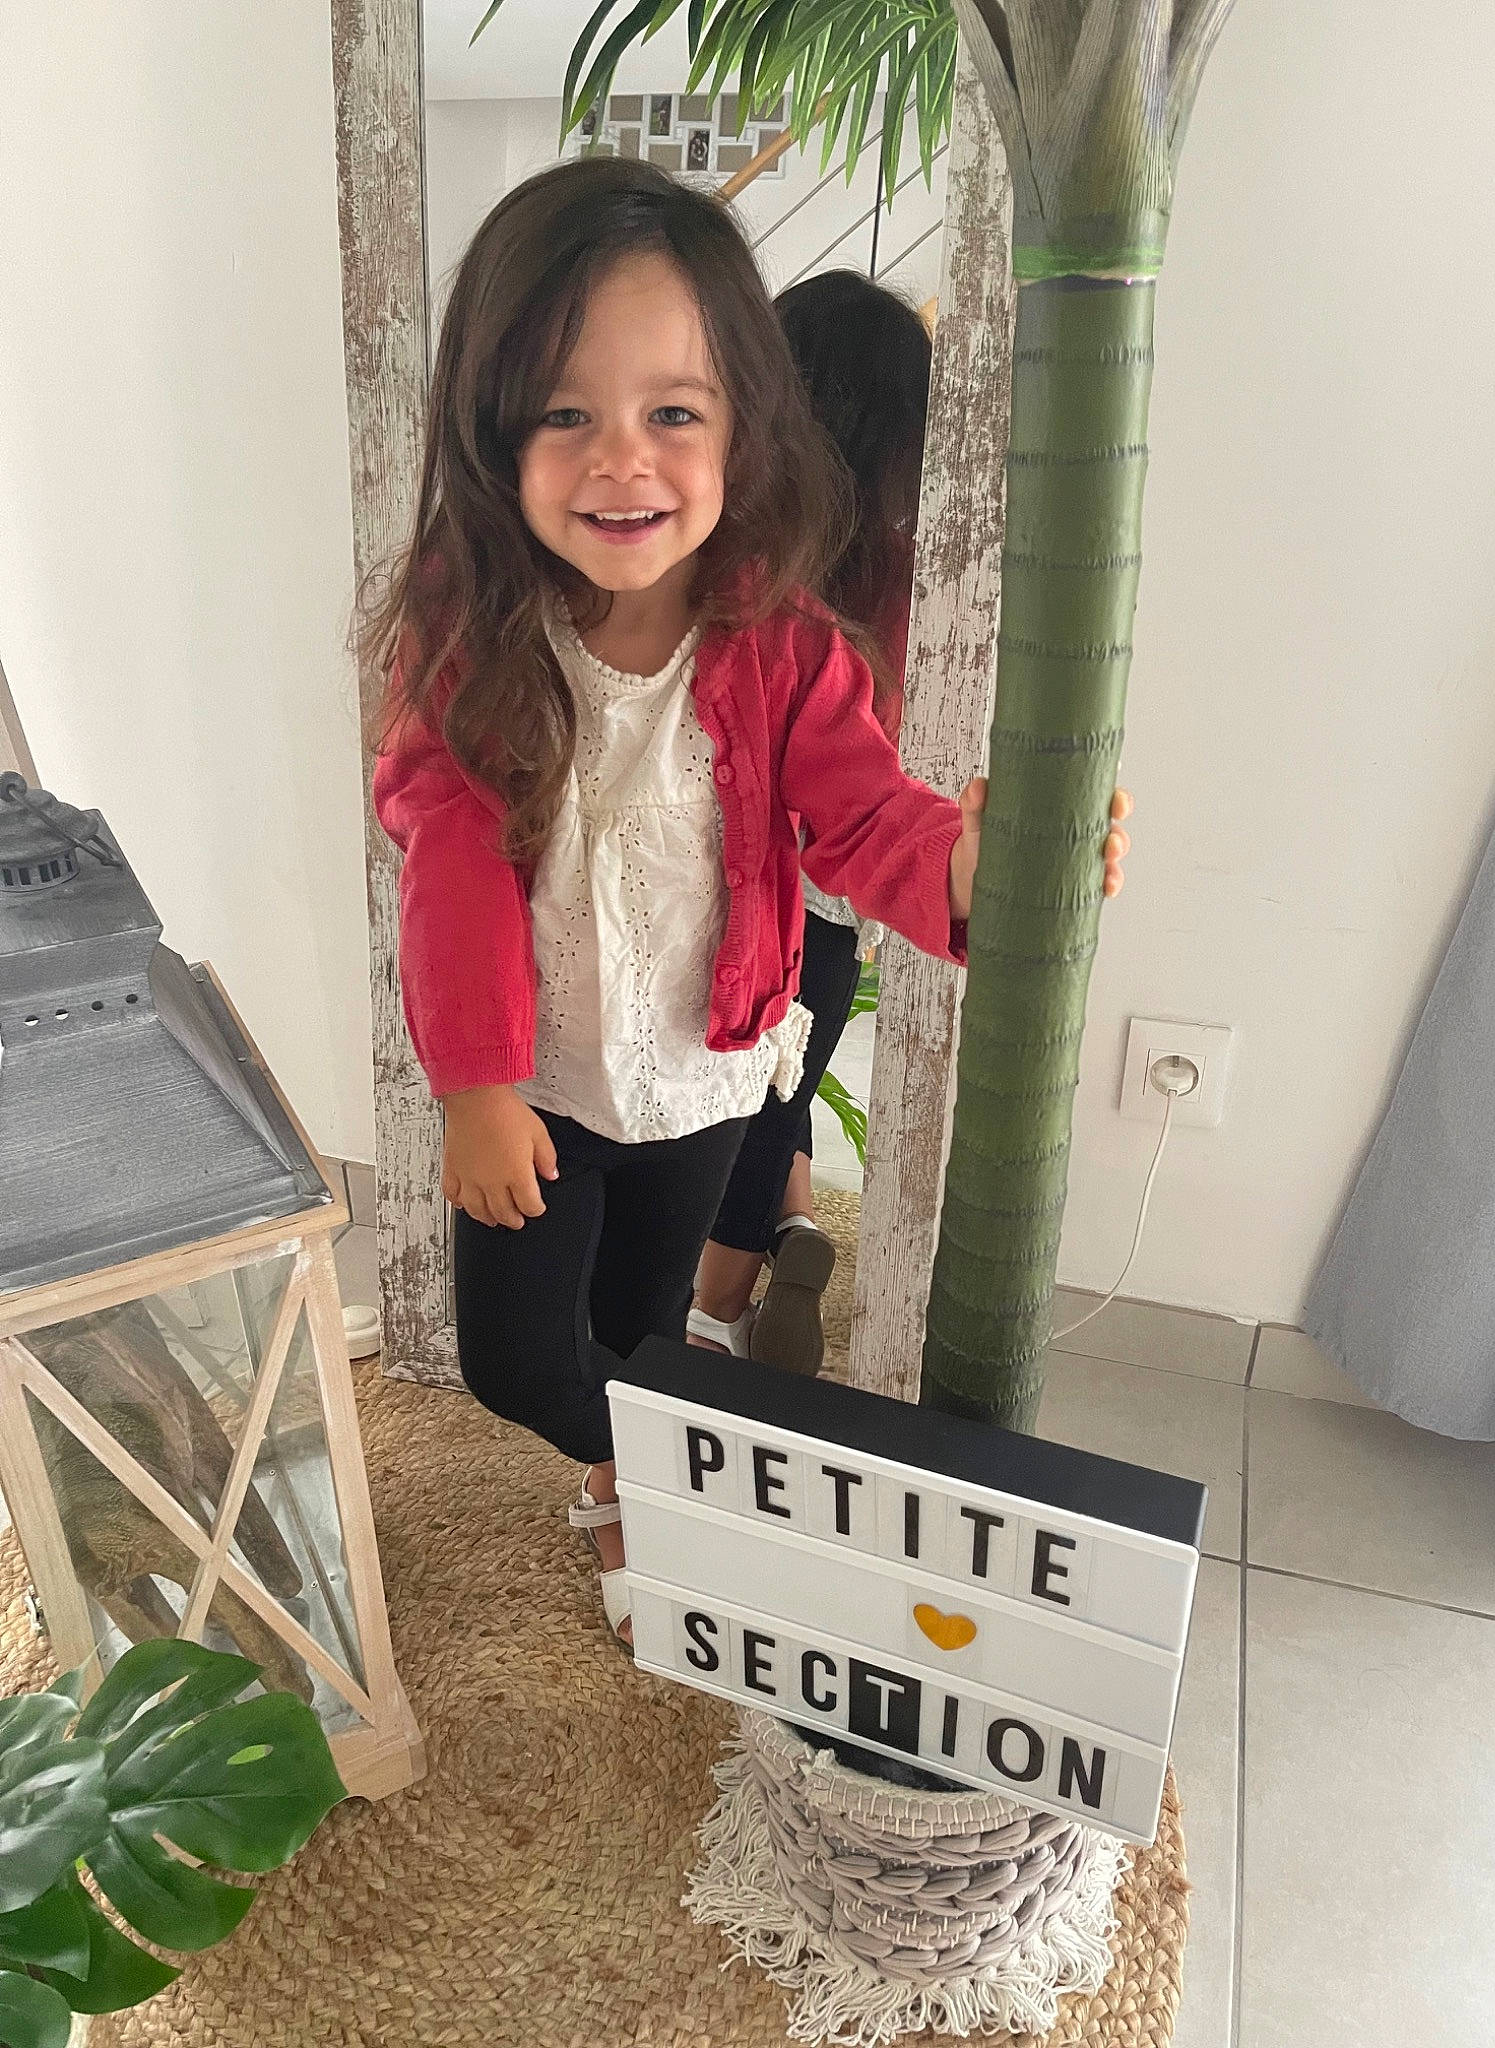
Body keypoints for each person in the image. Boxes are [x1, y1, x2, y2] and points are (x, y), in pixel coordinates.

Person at [367, 158, 1126, 1653]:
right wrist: (472, 1083)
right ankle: (675, 1458)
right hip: (541, 1090)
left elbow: (865, 817)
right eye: (564, 415)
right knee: (519, 1356)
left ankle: (646, 1474)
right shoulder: (471, 646)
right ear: (490, 432)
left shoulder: (782, 646)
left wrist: (990, 862)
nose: (621, 462)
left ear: (740, 431)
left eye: (672, 413)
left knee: (653, 1321)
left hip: (706, 1072)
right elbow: (447, 864)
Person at [687, 272, 932, 1373]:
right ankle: (736, 1291)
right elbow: (890, 750)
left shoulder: (715, 550)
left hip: (705, 886)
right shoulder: (899, 578)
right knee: (775, 1094)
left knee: (714, 1111)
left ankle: (715, 1306)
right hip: (826, 909)